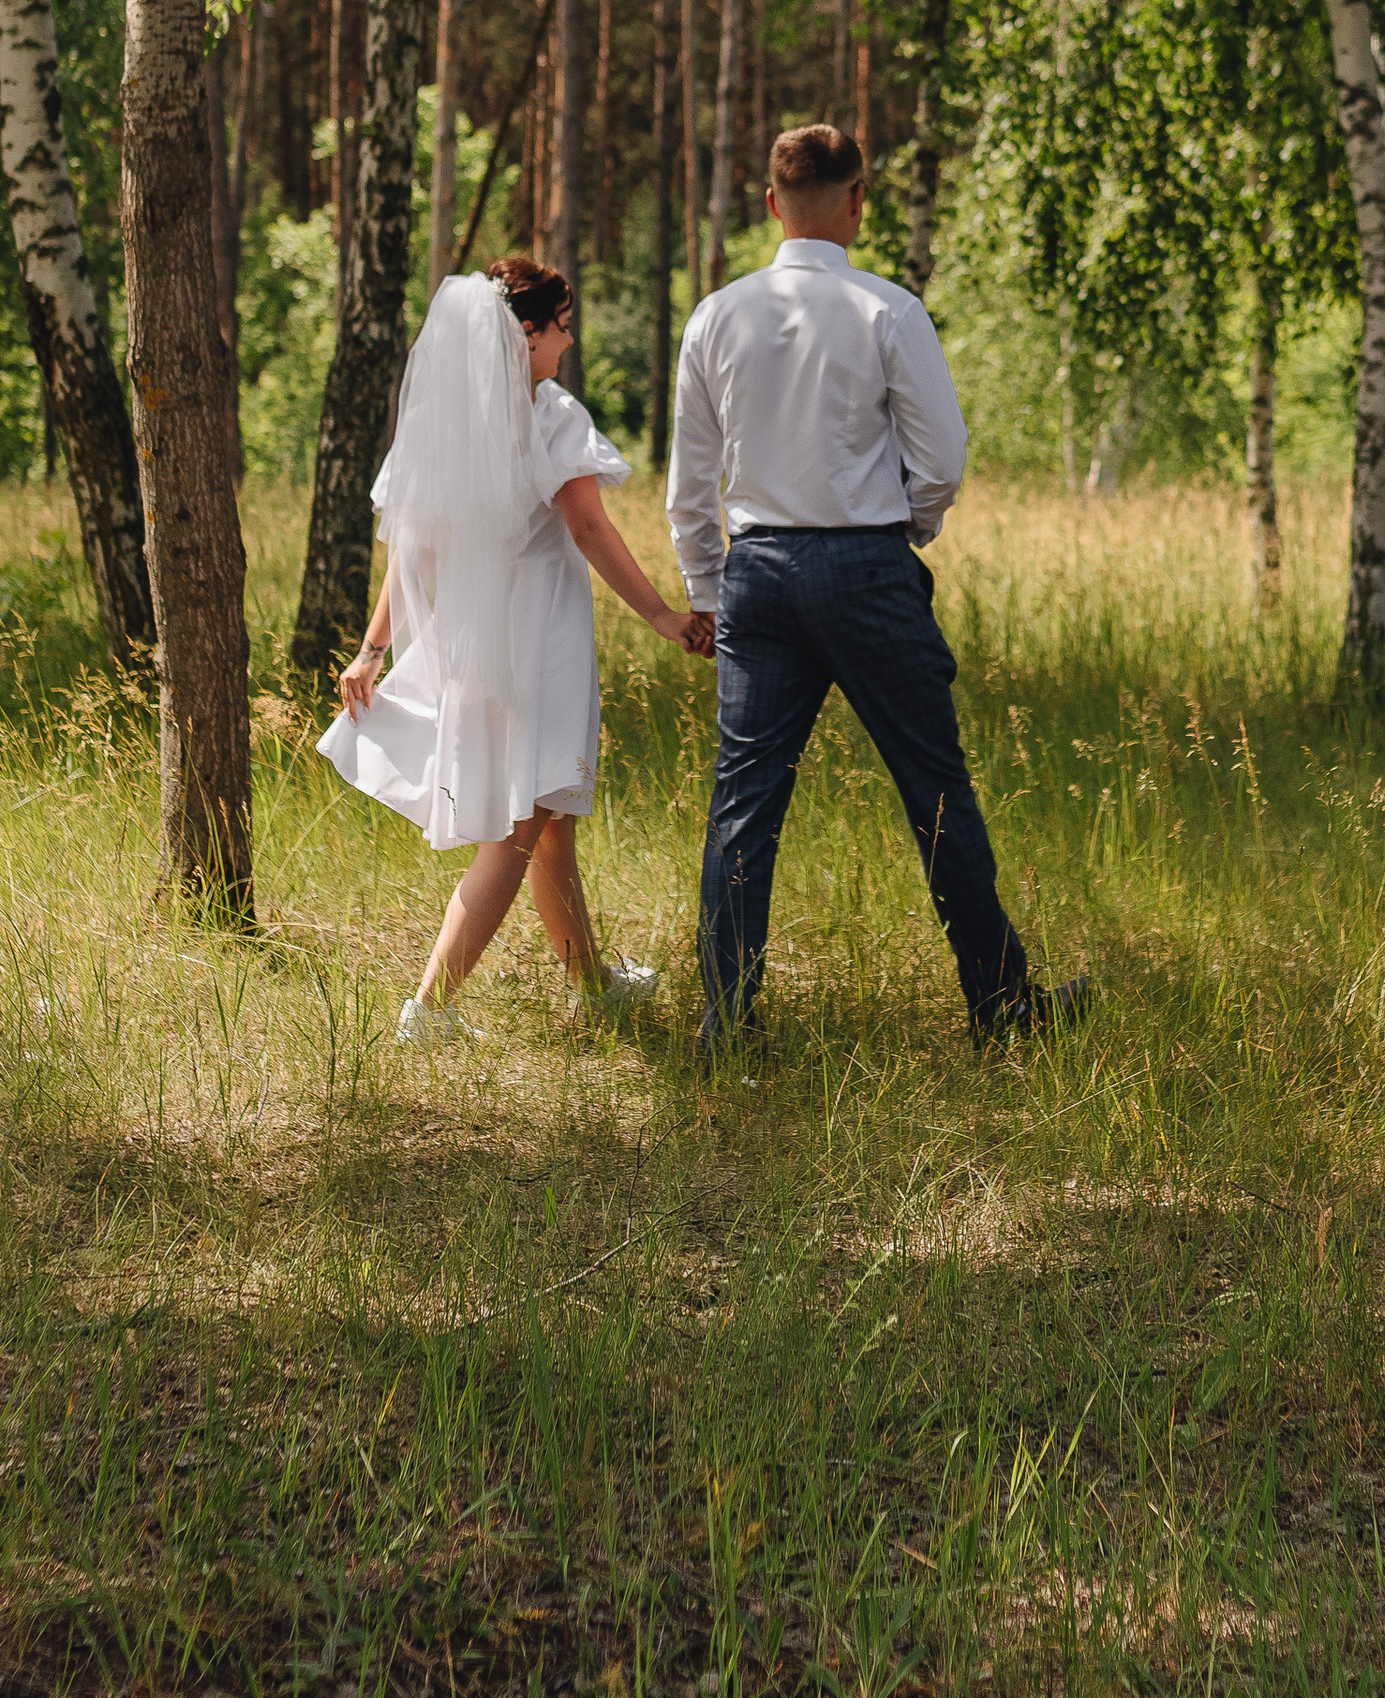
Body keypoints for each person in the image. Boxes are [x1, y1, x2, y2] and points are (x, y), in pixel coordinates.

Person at [667, 123, 1086, 1051]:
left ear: (771, 203)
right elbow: (942, 456)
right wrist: (903, 534)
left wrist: (706, 584)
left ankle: (725, 1022)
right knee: (935, 789)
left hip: (760, 573)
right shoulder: (888, 309)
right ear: (858, 201)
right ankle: (1003, 1009)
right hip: (866, 569)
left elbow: (690, 479)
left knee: (744, 804)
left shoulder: (715, 316)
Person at [320, 255, 712, 1047]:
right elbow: (589, 527)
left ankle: (593, 986)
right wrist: (663, 615)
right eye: (560, 326)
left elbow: (414, 553)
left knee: (548, 821)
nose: (567, 342)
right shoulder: (551, 415)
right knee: (517, 828)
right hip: (538, 642)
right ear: (525, 333)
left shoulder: (444, 427)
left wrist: (372, 650)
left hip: (478, 644)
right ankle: (428, 1011)